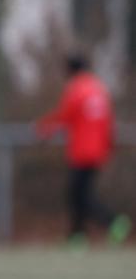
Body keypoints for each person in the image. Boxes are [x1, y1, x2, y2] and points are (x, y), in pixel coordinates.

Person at [36, 53, 130, 244]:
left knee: (79, 196)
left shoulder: (77, 89)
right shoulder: (99, 89)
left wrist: (43, 128)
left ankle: (112, 223)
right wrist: (109, 148)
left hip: (81, 152)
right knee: (79, 195)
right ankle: (78, 235)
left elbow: (64, 115)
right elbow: (108, 124)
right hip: (97, 152)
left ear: (71, 70)